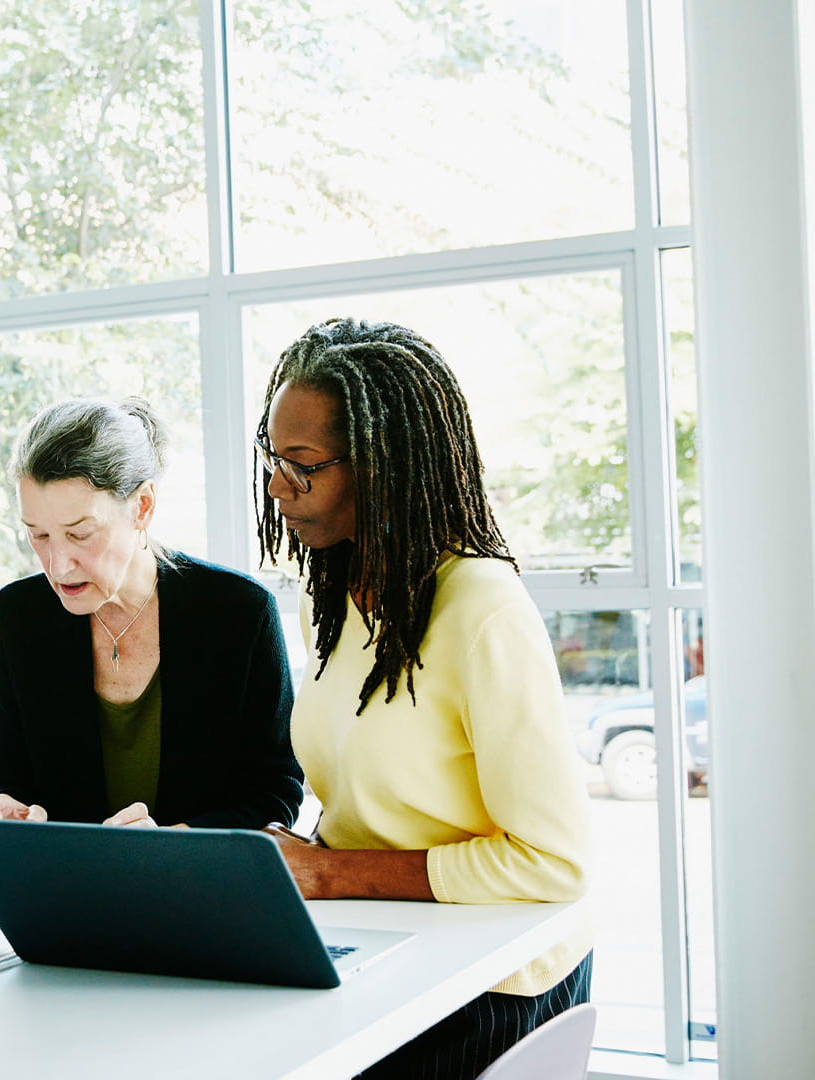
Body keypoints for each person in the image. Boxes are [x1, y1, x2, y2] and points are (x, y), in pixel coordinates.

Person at [254, 318, 591, 1078]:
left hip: (497, 977)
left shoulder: (482, 607)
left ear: (384, 467)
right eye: (273, 460)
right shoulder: (334, 601)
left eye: (302, 466)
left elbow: (552, 864)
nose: (278, 488)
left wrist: (335, 875)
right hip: (387, 942)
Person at [0, 397, 304, 830]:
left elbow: (275, 791)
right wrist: (6, 804)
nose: (57, 565)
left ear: (143, 506)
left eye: (80, 534)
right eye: (37, 535)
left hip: (203, 890)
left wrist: (177, 846)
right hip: (64, 888)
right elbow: (8, 773)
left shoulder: (239, 613)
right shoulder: (17, 616)